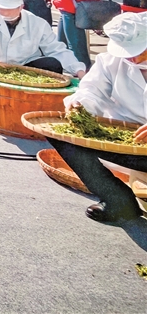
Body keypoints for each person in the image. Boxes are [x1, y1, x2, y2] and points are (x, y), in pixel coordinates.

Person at [52, 12, 147, 224]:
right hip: (125, 141)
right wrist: (80, 104)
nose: (131, 58)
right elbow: (91, 91)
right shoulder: (110, 61)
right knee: (63, 138)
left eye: (139, 51)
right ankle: (118, 201)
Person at [0, 0, 84, 76]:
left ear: (20, 7)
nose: (5, 13)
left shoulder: (37, 23)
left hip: (26, 64)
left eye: (9, 9)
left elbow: (56, 49)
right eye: (1, 9)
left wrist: (77, 69)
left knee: (52, 64)